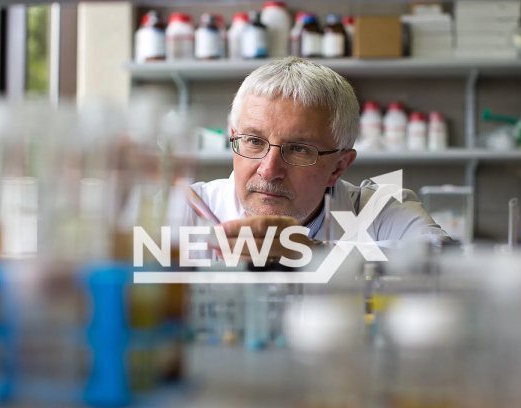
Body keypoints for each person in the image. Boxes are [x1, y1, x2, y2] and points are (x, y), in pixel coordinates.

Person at [190, 57, 448, 260]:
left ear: (339, 166)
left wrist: (314, 254)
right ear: (234, 140)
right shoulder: (187, 210)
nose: (269, 171)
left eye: (299, 149)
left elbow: (445, 264)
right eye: (255, 142)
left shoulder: (383, 211)